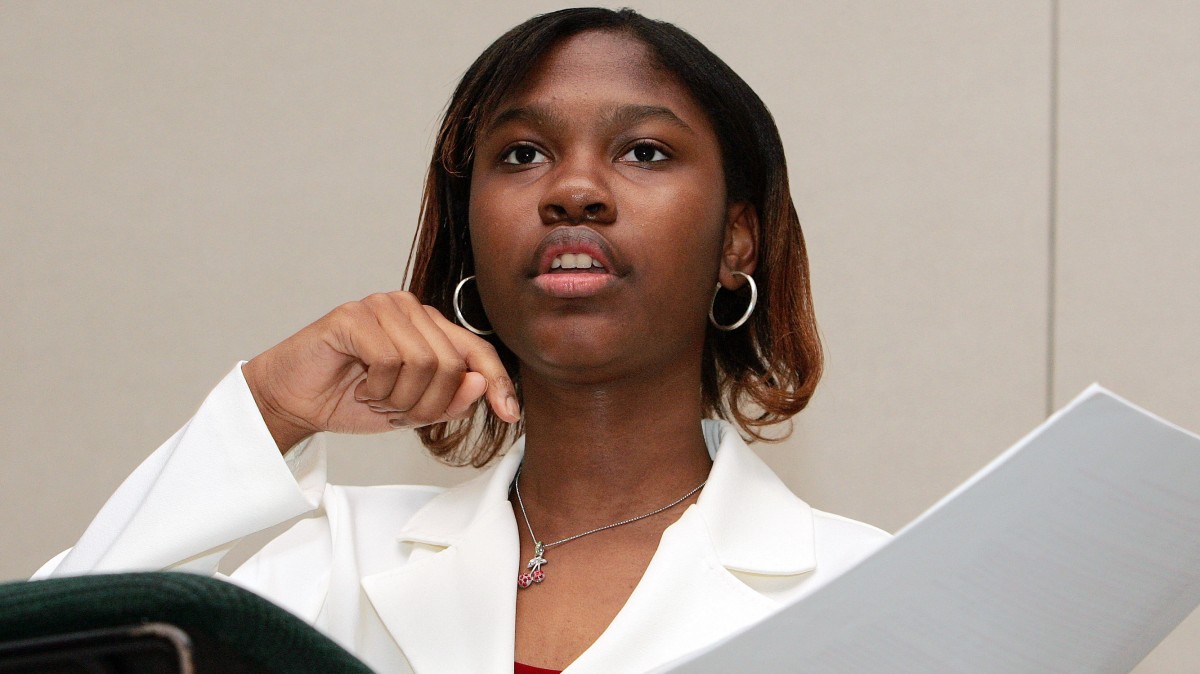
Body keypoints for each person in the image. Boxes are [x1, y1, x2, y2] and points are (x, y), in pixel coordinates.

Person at [35, 8, 888, 674]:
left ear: (736, 242)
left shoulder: (867, 590)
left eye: (644, 151)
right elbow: (48, 659)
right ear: (471, 230)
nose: (575, 189)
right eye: (521, 154)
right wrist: (269, 407)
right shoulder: (335, 563)